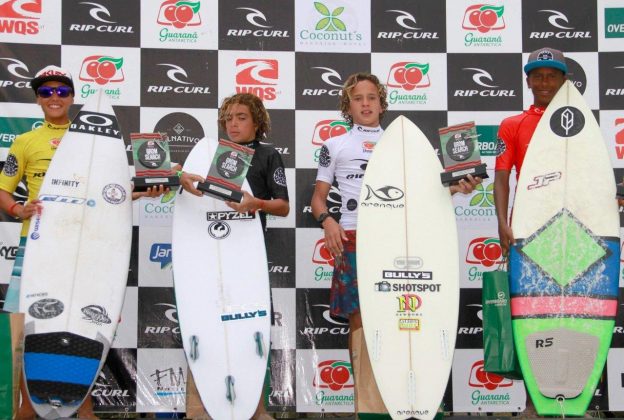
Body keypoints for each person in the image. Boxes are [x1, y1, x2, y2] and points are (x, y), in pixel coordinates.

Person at [0, 65, 168, 420]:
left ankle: (80, 409)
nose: (54, 98)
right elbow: (3, 190)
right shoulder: (25, 141)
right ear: (37, 99)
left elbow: (111, 197)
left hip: (91, 249)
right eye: (46, 92)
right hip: (39, 249)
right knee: (28, 344)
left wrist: (144, 193)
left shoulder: (101, 145)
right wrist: (17, 207)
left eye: (61, 92)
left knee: (85, 339)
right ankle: (26, 412)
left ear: (72, 98)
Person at [310, 72, 481, 417]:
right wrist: (327, 220)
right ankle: (368, 406)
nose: (366, 104)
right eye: (358, 98)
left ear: (382, 103)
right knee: (361, 320)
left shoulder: (402, 142)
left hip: (401, 238)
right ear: (348, 105)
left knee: (403, 315)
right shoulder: (335, 146)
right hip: (355, 236)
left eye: (372, 97)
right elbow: (317, 199)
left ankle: (406, 399)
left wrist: (458, 188)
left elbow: (424, 196)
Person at [180, 92, 290, 420]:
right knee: (203, 326)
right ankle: (199, 410)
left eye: (241, 117)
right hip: (209, 258)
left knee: (248, 331)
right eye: (228, 118)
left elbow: (283, 206)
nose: (233, 123)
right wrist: (178, 176)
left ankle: (255, 410)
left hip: (247, 260)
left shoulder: (268, 156)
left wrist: (255, 203)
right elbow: (183, 182)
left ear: (257, 121)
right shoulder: (211, 155)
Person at [494, 47, 567, 256]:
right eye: (537, 77)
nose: (544, 83)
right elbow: (501, 178)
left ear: (563, 81)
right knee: (527, 289)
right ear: (528, 82)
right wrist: (502, 223)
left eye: (551, 77)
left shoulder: (579, 124)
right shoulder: (511, 125)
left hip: (572, 221)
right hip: (526, 220)